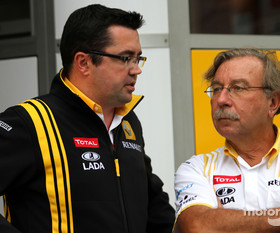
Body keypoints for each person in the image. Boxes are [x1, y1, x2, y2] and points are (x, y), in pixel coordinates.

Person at [0, 4, 175, 233]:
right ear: (84, 62)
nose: (136, 70)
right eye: (125, 58)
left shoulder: (128, 121)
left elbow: (153, 206)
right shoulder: (29, 122)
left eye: (138, 58)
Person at [174, 48, 280, 232]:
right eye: (216, 89)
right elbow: (197, 225)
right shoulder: (196, 169)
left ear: (273, 102)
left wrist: (225, 223)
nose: (222, 99)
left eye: (238, 88)